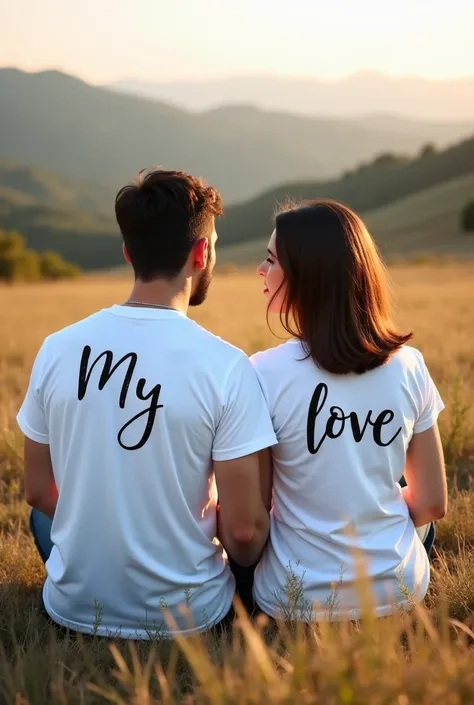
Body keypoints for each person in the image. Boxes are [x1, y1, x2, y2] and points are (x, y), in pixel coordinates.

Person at [17, 168, 276, 639]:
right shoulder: (226, 366)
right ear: (201, 254)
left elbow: (37, 490)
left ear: (127, 252)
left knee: (42, 516)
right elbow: (242, 534)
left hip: (71, 607)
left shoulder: (57, 348)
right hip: (192, 619)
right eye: (213, 245)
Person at [250, 199, 447, 622]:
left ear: (308, 277)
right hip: (398, 591)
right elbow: (432, 503)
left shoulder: (262, 373)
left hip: (292, 599)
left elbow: (258, 510)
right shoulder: (408, 364)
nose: (261, 272)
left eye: (271, 260)